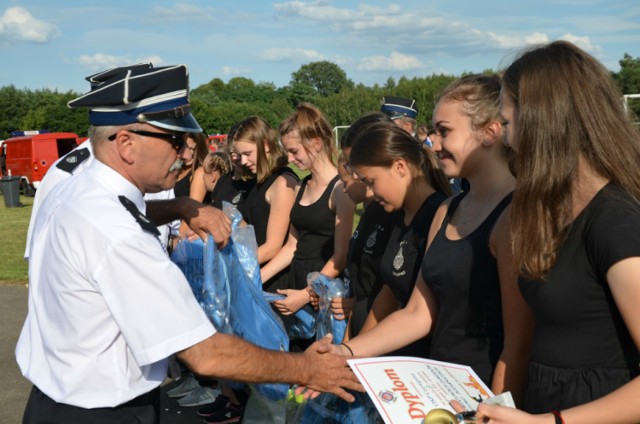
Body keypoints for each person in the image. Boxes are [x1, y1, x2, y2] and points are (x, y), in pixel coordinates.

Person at [15, 64, 362, 424]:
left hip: (55, 400)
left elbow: (125, 210)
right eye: (175, 141)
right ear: (126, 143)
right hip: (101, 412)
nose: (184, 154)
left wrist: (181, 206)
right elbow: (205, 353)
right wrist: (306, 368)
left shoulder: (75, 186)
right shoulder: (119, 235)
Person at [337, 74, 533, 402]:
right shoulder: (447, 211)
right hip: (441, 391)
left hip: (487, 399)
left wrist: (496, 410)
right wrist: (344, 352)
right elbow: (418, 314)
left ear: (490, 132)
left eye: (444, 131)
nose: (434, 143)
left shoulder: (517, 214)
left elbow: (518, 345)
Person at [476, 41, 640, 423]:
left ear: (544, 121)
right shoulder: (556, 213)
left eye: (508, 122)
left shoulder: (616, 222)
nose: (505, 138)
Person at [345, 121, 452, 358]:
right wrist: (352, 351)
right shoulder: (399, 214)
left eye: (371, 182)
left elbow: (422, 313)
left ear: (400, 166)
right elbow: (390, 291)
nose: (370, 193)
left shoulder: (436, 217)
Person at [260, 103, 355, 332]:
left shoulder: (341, 190)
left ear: (316, 143)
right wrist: (256, 278)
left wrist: (306, 295)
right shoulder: (302, 186)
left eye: (294, 151)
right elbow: (292, 246)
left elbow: (340, 257)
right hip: (297, 281)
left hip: (321, 293)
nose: (290, 159)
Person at [334, 112, 395, 338]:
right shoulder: (374, 210)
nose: (353, 175)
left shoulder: (397, 214)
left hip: (379, 341)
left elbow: (389, 292)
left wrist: (352, 351)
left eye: (352, 167)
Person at [231, 116, 299, 268]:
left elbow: (272, 248)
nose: (243, 161)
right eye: (240, 155)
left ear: (266, 145)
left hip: (274, 277)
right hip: (257, 269)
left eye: (247, 154)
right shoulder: (258, 180)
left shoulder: (282, 183)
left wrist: (233, 266)